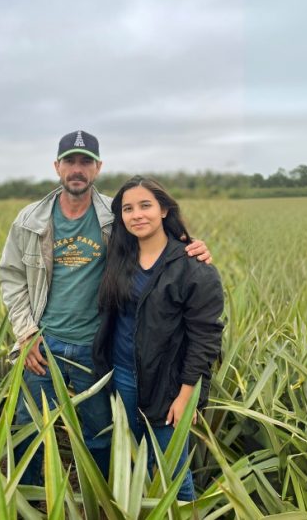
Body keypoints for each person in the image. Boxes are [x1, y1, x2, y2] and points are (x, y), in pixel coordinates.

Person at [0, 132, 212, 486]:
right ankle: (26, 496)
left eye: (85, 162)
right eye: (70, 161)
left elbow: (157, 241)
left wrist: (192, 248)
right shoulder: (29, 219)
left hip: (96, 348)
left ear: (98, 168)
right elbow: (11, 276)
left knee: (100, 432)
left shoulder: (116, 216)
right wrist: (25, 332)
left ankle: (97, 494)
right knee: (28, 427)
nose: (77, 169)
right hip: (42, 345)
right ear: (57, 166)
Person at [93, 175, 225, 501]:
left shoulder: (193, 266)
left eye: (145, 206)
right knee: (129, 462)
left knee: (172, 474)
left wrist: (186, 396)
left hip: (169, 386)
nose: (137, 215)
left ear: (164, 209)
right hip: (122, 378)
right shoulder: (119, 258)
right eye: (128, 209)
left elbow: (205, 337)